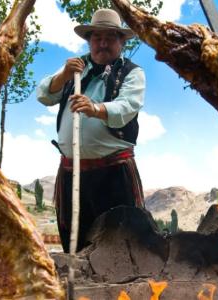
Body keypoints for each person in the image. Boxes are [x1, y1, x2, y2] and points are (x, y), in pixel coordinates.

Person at [37, 8, 146, 253]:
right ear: (89, 41)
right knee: (74, 245)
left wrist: (95, 108)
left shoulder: (132, 73)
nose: (103, 43)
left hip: (113, 174)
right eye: (97, 38)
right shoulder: (75, 68)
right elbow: (44, 94)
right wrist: (64, 75)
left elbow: (127, 106)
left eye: (110, 38)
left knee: (120, 246)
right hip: (70, 173)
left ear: (121, 41)